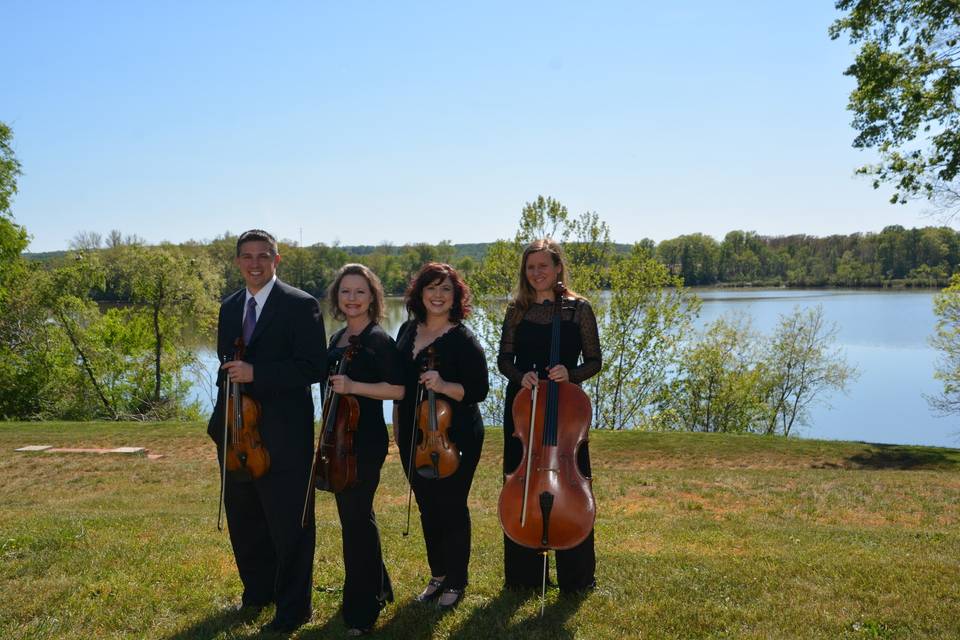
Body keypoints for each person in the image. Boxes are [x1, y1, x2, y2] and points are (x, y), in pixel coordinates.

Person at [207, 228, 327, 634]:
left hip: (284, 436)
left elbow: (313, 367)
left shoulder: (301, 305)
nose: (254, 263)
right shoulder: (229, 307)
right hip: (238, 433)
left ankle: (294, 608)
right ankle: (257, 592)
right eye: (247, 256)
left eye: (263, 256)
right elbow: (228, 364)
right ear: (238, 261)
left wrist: (257, 373)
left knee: (290, 523)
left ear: (276, 260)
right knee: (245, 519)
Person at [496, 238, 602, 593]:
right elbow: (504, 359)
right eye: (531, 267)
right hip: (525, 405)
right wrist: (519, 376)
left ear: (558, 268)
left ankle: (576, 577)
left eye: (544, 266)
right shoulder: (517, 309)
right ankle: (525, 579)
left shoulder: (579, 309)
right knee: (521, 484)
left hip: (564, 408)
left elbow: (594, 362)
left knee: (573, 483)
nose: (537, 273)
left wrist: (570, 374)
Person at [393, 262, 488, 610]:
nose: (437, 295)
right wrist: (397, 425)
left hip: (456, 434)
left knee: (451, 505)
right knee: (426, 505)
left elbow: (480, 389)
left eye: (445, 289)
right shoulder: (407, 330)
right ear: (420, 292)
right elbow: (400, 383)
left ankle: (457, 580)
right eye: (431, 287)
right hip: (412, 433)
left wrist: (445, 385)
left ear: (455, 297)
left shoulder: (463, 339)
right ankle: (437, 574)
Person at [323, 263, 404, 636]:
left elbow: (399, 390)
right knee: (356, 517)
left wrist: (354, 386)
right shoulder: (337, 338)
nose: (352, 299)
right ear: (337, 298)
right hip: (337, 439)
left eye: (359, 292)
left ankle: (361, 610)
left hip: (366, 442)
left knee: (354, 521)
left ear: (372, 297)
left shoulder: (377, 340)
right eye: (345, 292)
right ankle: (379, 588)